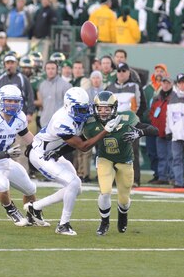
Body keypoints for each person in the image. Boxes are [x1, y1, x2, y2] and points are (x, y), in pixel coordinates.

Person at [26, 87, 122, 236]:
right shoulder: (62, 121)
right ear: (68, 107)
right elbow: (83, 146)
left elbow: (97, 115)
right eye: (79, 110)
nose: (84, 113)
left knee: (77, 188)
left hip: (53, 153)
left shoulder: (81, 109)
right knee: (73, 183)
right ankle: (63, 224)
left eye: (85, 109)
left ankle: (35, 207)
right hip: (41, 155)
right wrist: (106, 131)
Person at [84, 91, 158, 235]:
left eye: (107, 108)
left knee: (124, 199)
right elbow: (80, 141)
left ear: (114, 108)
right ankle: (104, 223)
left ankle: (123, 214)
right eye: (100, 108)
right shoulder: (91, 124)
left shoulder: (126, 118)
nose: (103, 111)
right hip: (105, 158)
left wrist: (140, 133)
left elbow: (154, 130)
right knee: (105, 192)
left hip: (125, 160)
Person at [0, 85, 49, 227]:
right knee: (3, 184)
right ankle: (10, 209)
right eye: (9, 101)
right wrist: (5, 153)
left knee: (30, 189)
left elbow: (29, 139)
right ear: (0, 101)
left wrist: (45, 148)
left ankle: (32, 215)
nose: (12, 104)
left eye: (15, 101)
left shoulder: (19, 117)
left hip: (6, 162)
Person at [35, 61, 72, 128]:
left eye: (53, 68)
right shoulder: (42, 85)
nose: (50, 71)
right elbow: (41, 104)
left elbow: (69, 106)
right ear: (45, 70)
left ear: (57, 70)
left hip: (60, 124)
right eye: (48, 69)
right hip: (44, 123)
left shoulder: (66, 85)